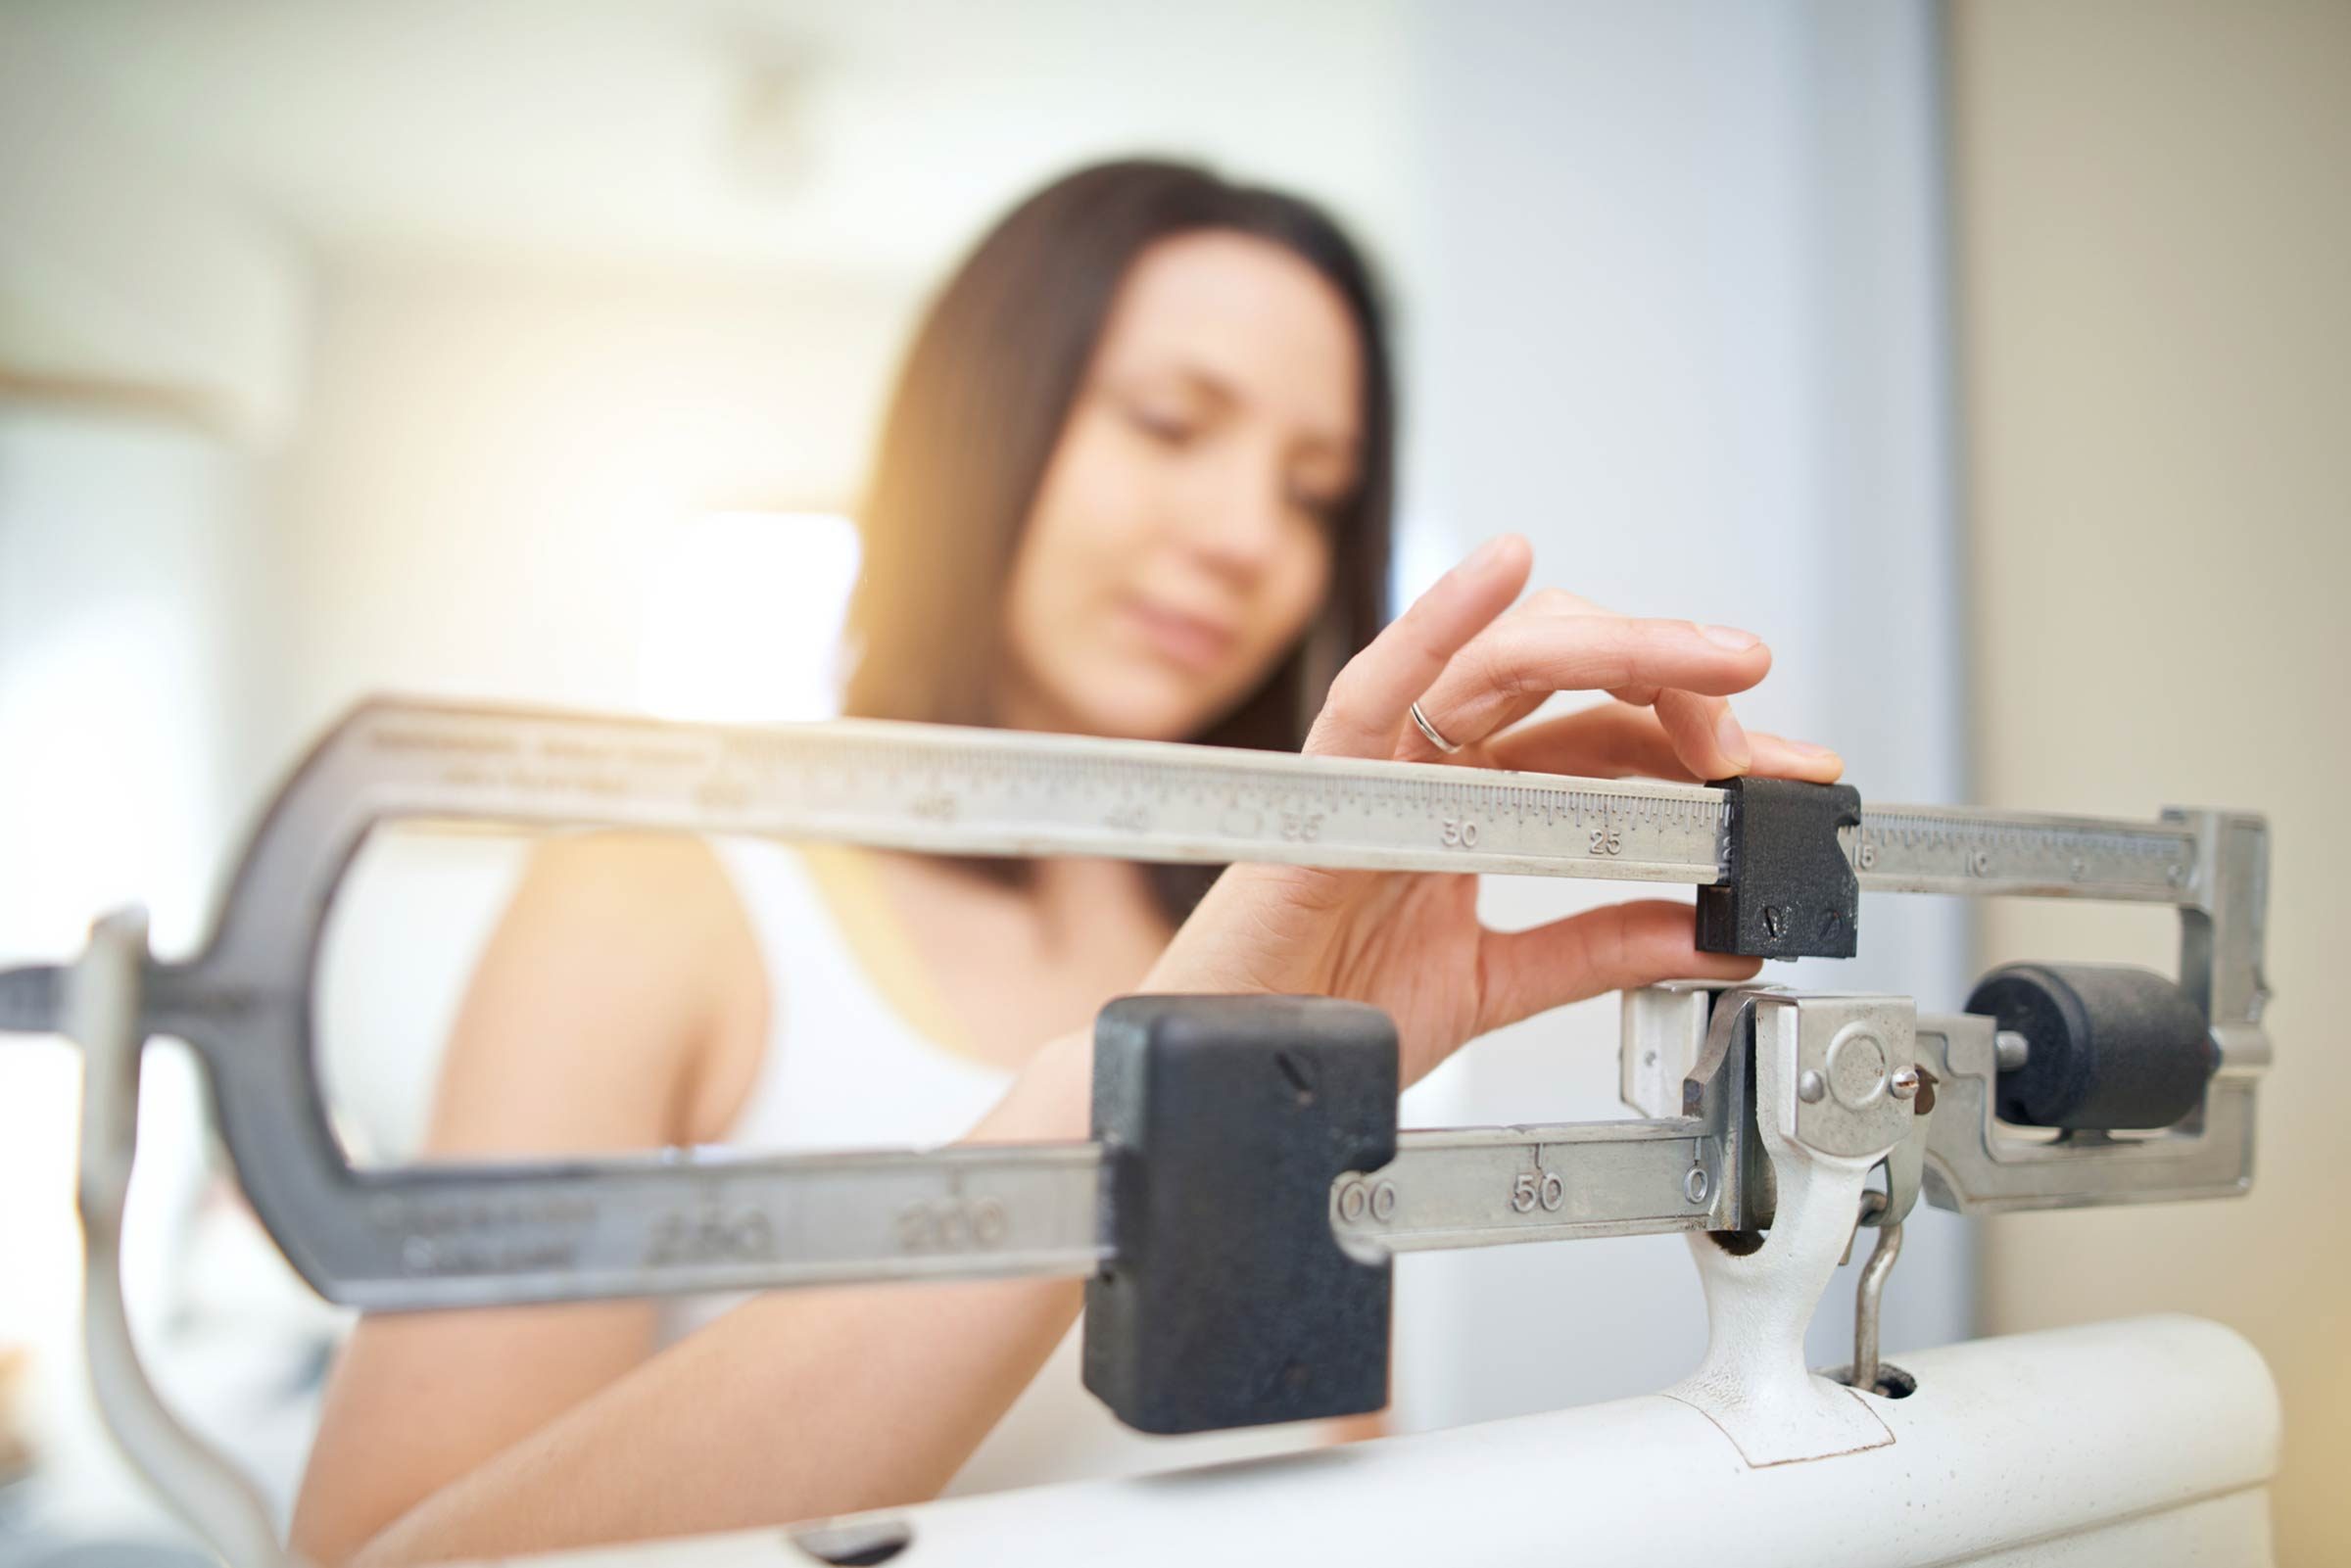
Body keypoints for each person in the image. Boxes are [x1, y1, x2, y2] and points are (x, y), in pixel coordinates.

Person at [289, 159, 1842, 1567]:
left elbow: (1320, 1497)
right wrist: (1103, 1123)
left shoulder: (1308, 973)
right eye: (1170, 423)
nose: (1249, 535)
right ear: (986, 420)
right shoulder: (649, 907)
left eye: (1312, 490)